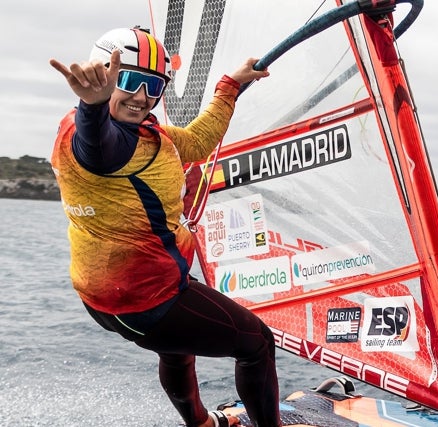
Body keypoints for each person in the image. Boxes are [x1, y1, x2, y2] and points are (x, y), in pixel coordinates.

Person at [49, 27, 280, 427]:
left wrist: (230, 86)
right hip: (143, 299)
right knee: (257, 344)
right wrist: (93, 106)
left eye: (153, 85)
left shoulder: (142, 134)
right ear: (104, 79)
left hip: (116, 296)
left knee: (177, 349)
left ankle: (201, 424)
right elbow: (97, 146)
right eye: (128, 80)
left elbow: (195, 141)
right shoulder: (99, 140)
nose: (141, 96)